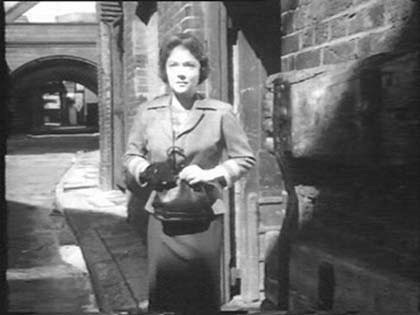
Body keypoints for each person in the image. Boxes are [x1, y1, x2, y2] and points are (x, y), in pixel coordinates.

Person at [123, 32, 256, 315]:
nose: (181, 73)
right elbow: (131, 156)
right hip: (161, 216)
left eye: (189, 66)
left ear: (201, 71)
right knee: (165, 297)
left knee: (201, 298)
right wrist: (145, 169)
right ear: (164, 70)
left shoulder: (220, 112)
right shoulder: (148, 112)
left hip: (204, 218)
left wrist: (212, 174)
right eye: (174, 65)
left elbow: (245, 158)